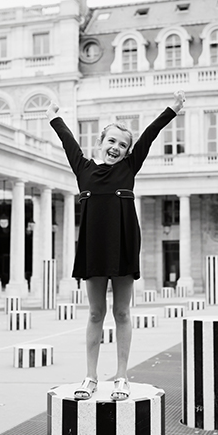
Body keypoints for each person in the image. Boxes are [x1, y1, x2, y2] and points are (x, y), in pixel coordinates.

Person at [46, 90, 186, 401]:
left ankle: (122, 376)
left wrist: (171, 110)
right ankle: (91, 377)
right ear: (101, 142)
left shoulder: (129, 167)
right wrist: (54, 116)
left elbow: (150, 134)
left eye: (123, 145)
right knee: (96, 313)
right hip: (94, 246)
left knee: (122, 312)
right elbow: (68, 140)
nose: (116, 148)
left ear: (127, 152)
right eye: (112, 141)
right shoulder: (83, 168)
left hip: (123, 243)